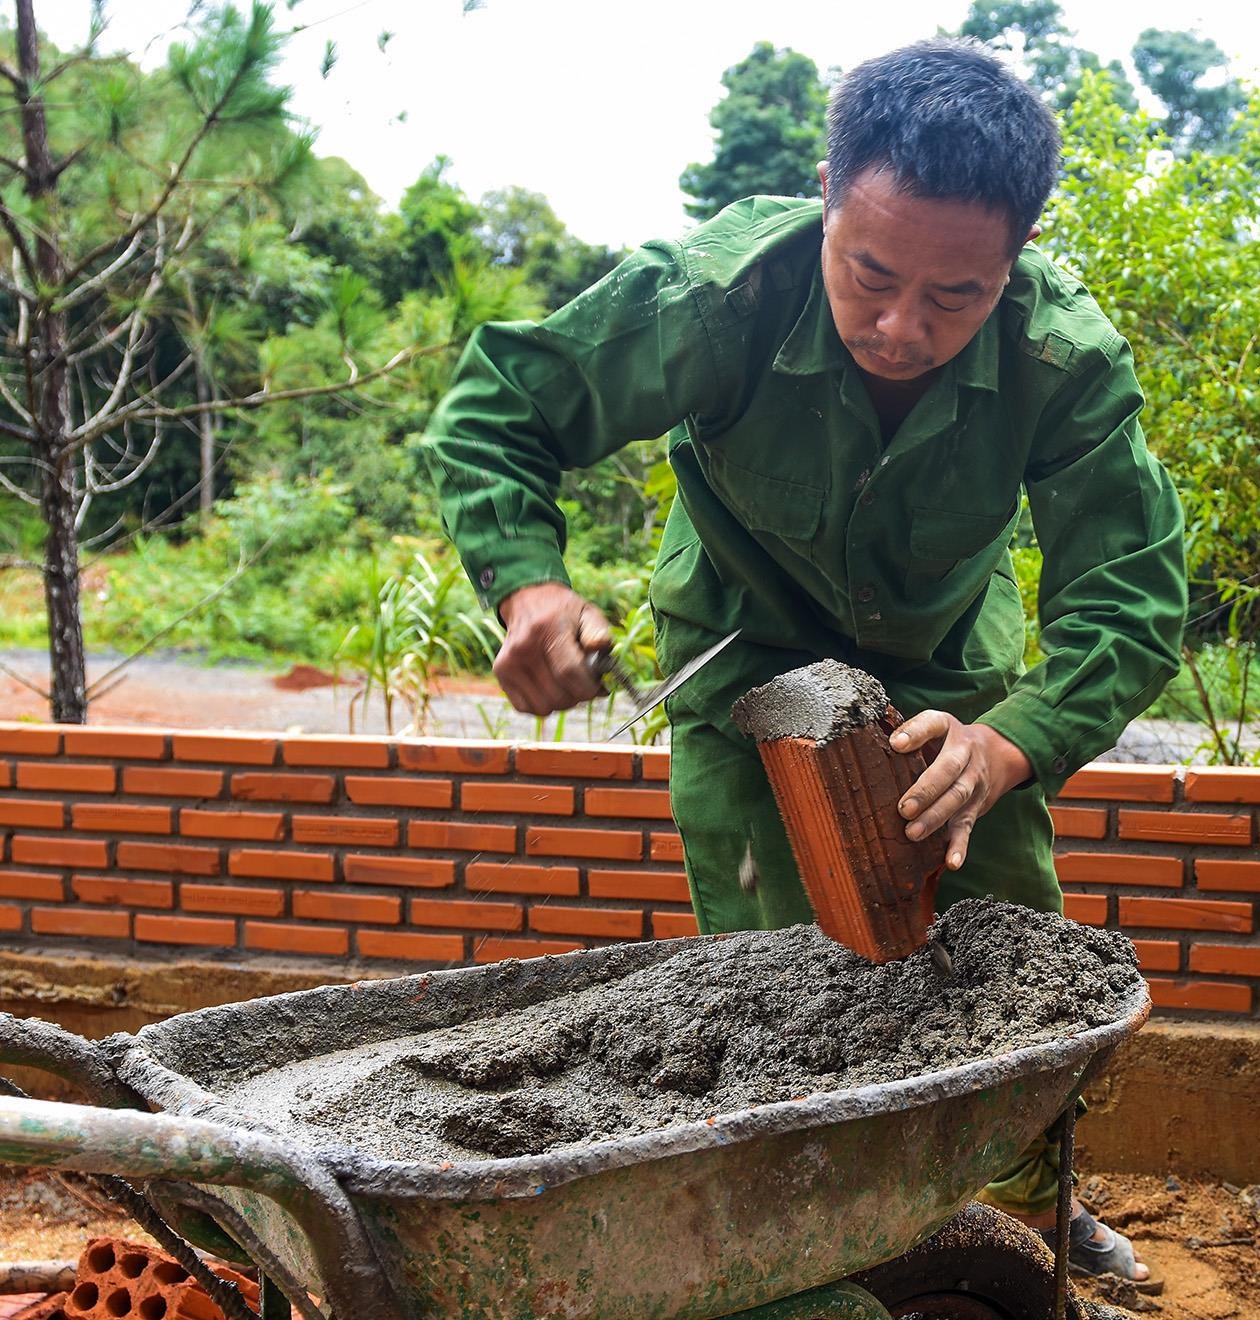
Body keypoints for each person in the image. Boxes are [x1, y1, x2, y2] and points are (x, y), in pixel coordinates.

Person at [420, 37, 1184, 1289]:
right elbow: (505, 403)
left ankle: (1025, 1209)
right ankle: (834, 1243)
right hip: (741, 662)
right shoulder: (716, 294)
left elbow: (1135, 592)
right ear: (827, 195)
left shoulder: (1066, 361)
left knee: (1006, 951)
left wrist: (1013, 742)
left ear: (1016, 264)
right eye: (870, 274)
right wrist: (530, 582)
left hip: (953, 687)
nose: (901, 327)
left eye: (957, 298)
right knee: (785, 974)